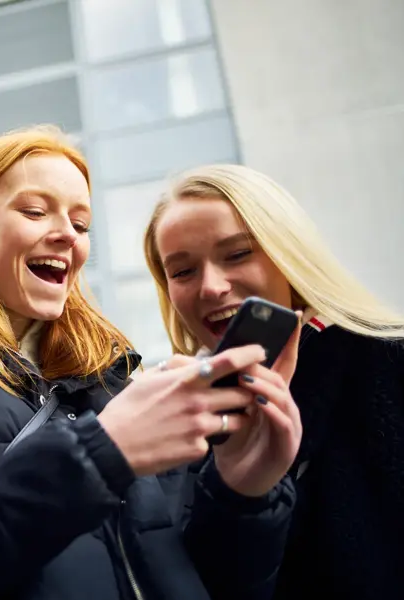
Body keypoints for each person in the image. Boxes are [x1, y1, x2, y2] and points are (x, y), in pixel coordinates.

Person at [0, 126, 301, 600]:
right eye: (35, 211)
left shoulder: (124, 393)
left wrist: (244, 495)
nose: (67, 234)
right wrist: (99, 456)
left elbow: (212, 582)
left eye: (81, 225)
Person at [143, 163, 404, 600]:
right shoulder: (183, 422)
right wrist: (241, 495)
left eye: (238, 253)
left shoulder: (387, 364)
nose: (211, 287)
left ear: (290, 254)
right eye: (183, 271)